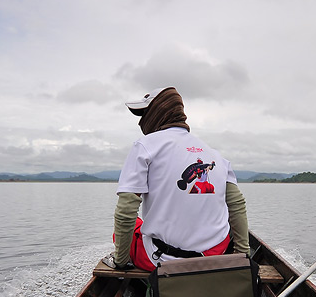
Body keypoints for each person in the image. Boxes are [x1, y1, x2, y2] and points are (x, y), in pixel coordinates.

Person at [102, 86, 249, 271]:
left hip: (163, 259)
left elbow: (126, 211)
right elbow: (236, 205)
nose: (142, 121)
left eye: (144, 114)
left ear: (157, 112)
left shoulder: (145, 146)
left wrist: (121, 262)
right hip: (214, 255)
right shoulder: (214, 154)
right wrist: (243, 255)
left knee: (127, 231)